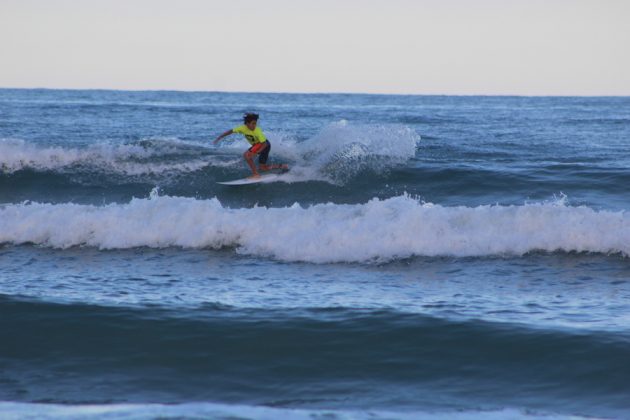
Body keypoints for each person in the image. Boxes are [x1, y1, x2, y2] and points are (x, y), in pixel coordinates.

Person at [214, 113, 287, 178]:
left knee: (247, 155)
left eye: (255, 123)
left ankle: (255, 174)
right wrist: (220, 137)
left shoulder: (257, 131)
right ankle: (282, 166)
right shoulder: (242, 128)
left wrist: (256, 152)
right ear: (247, 124)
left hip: (264, 145)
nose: (254, 125)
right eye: (253, 123)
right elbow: (231, 131)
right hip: (257, 145)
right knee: (263, 167)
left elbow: (264, 143)